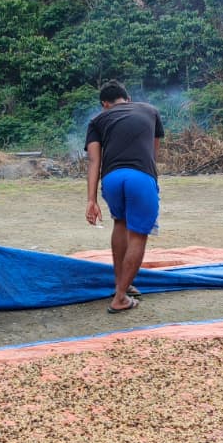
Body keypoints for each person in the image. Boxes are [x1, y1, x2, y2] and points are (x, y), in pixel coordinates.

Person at [83, 80, 164, 313]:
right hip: (140, 177)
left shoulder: (97, 120)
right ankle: (120, 298)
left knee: (120, 223)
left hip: (111, 179)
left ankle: (123, 284)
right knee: (138, 235)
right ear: (127, 99)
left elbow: (94, 161)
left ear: (105, 104)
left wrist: (91, 200)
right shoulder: (150, 111)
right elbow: (153, 152)